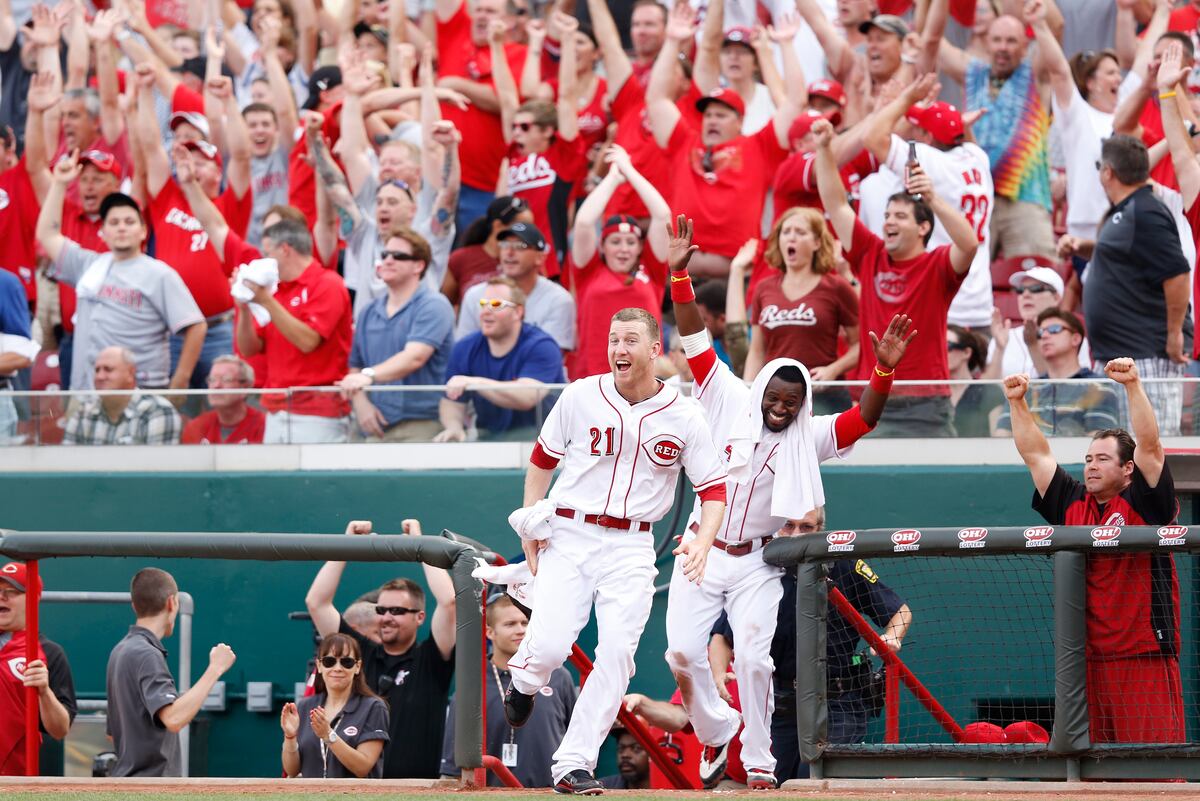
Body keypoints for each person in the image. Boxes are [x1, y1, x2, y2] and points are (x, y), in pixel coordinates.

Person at [663, 215, 911, 790]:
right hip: (702, 546)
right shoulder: (727, 398)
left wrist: (884, 369)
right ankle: (716, 729)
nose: (780, 407)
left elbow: (863, 420)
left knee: (754, 660)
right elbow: (696, 339)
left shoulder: (809, 435)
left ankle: (759, 760)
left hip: (758, 559)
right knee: (680, 654)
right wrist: (680, 277)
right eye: (774, 396)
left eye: (792, 400)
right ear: (761, 389)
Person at [503, 306, 729, 794]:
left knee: (618, 656)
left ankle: (574, 763)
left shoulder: (684, 414)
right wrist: (529, 521)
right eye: (612, 340)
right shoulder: (582, 394)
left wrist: (705, 543)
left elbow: (714, 489)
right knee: (550, 645)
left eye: (629, 341)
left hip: (632, 543)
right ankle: (523, 681)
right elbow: (541, 459)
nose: (618, 350)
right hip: (570, 532)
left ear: (653, 350)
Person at [1004, 358, 1184, 744]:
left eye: (1103, 459)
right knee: (1095, 771)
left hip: (1143, 654)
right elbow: (1036, 454)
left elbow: (1151, 446)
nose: (1091, 467)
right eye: (1088, 459)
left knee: (1154, 771)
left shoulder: (1146, 501)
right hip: (1085, 661)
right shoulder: (1072, 501)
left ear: (1128, 469)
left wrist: (1133, 386)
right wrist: (1017, 402)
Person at [708, 507, 910, 779]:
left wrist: (891, 637)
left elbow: (900, 611)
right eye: (788, 526)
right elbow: (722, 635)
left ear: (820, 530)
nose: (795, 535)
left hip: (838, 702)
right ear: (774, 527)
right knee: (769, 779)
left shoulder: (842, 563)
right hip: (779, 704)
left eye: (806, 527)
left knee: (812, 781)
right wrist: (719, 674)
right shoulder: (757, 568)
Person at [815, 117, 980, 437]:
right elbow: (835, 204)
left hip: (926, 401)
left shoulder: (938, 264)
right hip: (871, 395)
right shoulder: (869, 253)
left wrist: (931, 197)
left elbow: (969, 244)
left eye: (900, 216)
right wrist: (824, 149)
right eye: (887, 215)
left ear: (923, 228)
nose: (889, 221)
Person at [645, 1, 801, 277]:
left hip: (736, 278)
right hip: (681, 277)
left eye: (722, 115)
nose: (712, 120)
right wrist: (671, 42)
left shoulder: (759, 146)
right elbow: (656, 99)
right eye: (709, 114)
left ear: (740, 121)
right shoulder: (685, 142)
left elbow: (795, 105)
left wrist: (786, 45)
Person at [305, 518, 457, 778]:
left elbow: (450, 602)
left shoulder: (430, 658)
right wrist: (346, 545)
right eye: (381, 609)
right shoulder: (359, 654)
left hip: (417, 791)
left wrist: (420, 545)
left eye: (397, 611)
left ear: (419, 617)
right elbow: (317, 603)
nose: (386, 617)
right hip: (357, 789)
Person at [37, 162, 207, 394]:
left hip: (142, 391)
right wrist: (59, 183)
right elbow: (47, 234)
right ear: (104, 232)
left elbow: (196, 326)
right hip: (89, 391)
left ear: (143, 231)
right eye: (114, 223)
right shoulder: (90, 265)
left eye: (129, 222)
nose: (121, 228)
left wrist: (180, 380)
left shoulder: (159, 274)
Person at [861, 74, 995, 336]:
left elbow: (872, 138)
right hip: (979, 302)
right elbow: (962, 140)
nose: (913, 133)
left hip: (946, 303)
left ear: (927, 136)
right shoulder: (977, 157)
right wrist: (956, 123)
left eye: (919, 128)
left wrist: (908, 97)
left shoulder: (927, 160)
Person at [1076, 135, 1191, 436]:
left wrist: (1174, 333)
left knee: (1153, 449)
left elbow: (1177, 273)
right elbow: (1126, 259)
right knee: (1124, 457)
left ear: (1108, 173)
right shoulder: (1128, 210)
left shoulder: (1146, 211)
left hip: (1146, 354)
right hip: (1124, 355)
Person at [929, 0, 1056, 259]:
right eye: (997, 40)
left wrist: (1040, 18)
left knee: (1038, 277)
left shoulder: (1037, 73)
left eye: (1011, 41)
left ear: (1025, 45)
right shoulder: (973, 73)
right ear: (986, 41)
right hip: (976, 199)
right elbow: (933, 41)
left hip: (1024, 199)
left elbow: (1057, 27)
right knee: (967, 279)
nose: (1003, 48)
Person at [106, 567, 237, 777]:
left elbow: (113, 735)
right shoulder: (146, 654)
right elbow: (174, 719)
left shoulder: (120, 651)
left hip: (127, 784)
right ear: (172, 603)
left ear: (134, 605)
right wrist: (215, 668)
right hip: (151, 788)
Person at [234, 219, 354, 444]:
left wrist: (266, 301)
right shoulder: (275, 292)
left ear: (285, 249)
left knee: (314, 479)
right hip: (276, 409)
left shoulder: (327, 284)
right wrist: (244, 308)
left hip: (316, 412)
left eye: (266, 252)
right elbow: (249, 349)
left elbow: (308, 341)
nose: (262, 260)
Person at [440, 592, 577, 787]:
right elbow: (453, 766)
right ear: (490, 632)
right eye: (510, 624)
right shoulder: (472, 681)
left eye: (525, 622)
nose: (521, 630)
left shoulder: (558, 676)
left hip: (552, 792)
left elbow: (576, 738)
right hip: (490, 795)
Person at [338, 229, 455, 443]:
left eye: (398, 256)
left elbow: (415, 357)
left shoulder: (434, 305)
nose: (388, 260)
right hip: (373, 425)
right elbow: (355, 365)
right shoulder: (368, 311)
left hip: (422, 424)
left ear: (418, 266)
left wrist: (368, 375)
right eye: (385, 255)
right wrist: (361, 404)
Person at [742, 207, 859, 414]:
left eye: (800, 232)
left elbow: (860, 345)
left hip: (823, 397)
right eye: (786, 232)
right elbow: (757, 351)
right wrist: (748, 393)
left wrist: (833, 370)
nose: (791, 238)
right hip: (777, 397)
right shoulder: (764, 288)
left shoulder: (836, 287)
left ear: (816, 242)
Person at [568, 145, 669, 380]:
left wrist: (629, 171)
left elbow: (662, 215)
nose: (623, 249)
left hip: (646, 380)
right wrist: (612, 179)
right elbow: (583, 222)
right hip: (594, 378)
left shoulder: (651, 270)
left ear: (640, 247)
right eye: (615, 241)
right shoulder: (589, 271)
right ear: (602, 246)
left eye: (630, 242)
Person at [437, 277, 565, 442]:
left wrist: (474, 382)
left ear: (518, 312)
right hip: (489, 440)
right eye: (483, 304)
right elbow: (451, 399)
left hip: (543, 443)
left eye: (496, 305)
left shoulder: (541, 345)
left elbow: (528, 396)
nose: (485, 311)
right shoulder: (465, 347)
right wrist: (453, 426)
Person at [0, 562, 76, 776]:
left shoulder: (48, 653)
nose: (2, 597)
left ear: (34, 598)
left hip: (15, 780)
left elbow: (60, 729)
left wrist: (44, 692)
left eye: (12, 592)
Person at [995, 310, 1122, 436]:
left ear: (1076, 339)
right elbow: (1001, 437)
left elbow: (1098, 446)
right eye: (1039, 333)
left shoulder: (1098, 387)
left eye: (1054, 329)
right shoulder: (1026, 390)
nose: (1044, 336)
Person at [280, 633, 389, 778]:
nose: (337, 668)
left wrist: (328, 735)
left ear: (357, 667)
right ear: (319, 666)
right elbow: (292, 771)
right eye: (329, 661)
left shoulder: (374, 707)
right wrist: (290, 736)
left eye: (347, 662)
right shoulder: (305, 706)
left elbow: (363, 767)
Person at [456, 223, 576, 351]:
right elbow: (464, 350)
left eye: (520, 246)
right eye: (505, 245)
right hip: (481, 370)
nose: (509, 252)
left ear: (540, 257)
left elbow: (550, 357)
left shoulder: (559, 300)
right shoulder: (475, 295)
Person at [984, 266, 1090, 380]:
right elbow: (986, 391)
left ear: (1056, 298)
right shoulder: (1003, 337)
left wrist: (1033, 346)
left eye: (1036, 289)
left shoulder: (1069, 336)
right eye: (1020, 290)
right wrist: (999, 349)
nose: (1025, 294)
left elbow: (1072, 388)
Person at [63, 347, 183, 446]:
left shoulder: (159, 411)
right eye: (97, 370)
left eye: (108, 369)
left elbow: (158, 470)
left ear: (130, 373)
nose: (99, 376)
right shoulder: (83, 413)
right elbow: (66, 467)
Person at [442, 195, 533, 308]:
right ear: (498, 225)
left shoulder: (529, 257)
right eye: (521, 226)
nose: (529, 232)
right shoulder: (460, 259)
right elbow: (445, 303)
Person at [181, 356, 266, 445]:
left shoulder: (263, 426)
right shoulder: (196, 426)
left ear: (245, 387)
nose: (216, 385)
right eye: (212, 380)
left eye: (226, 379)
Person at [946, 325, 1003, 437]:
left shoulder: (990, 392)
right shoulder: (934, 394)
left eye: (947, 346)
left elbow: (999, 441)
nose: (941, 352)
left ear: (967, 352)